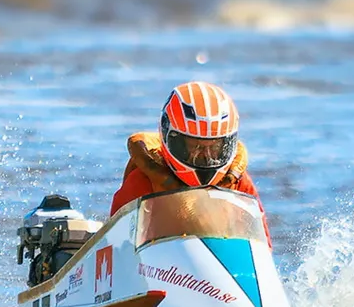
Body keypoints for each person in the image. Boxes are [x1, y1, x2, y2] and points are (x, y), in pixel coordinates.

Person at [109, 82, 262, 219]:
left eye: (215, 147)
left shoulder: (239, 183)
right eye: (194, 146)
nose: (205, 157)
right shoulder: (142, 181)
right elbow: (117, 243)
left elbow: (261, 245)